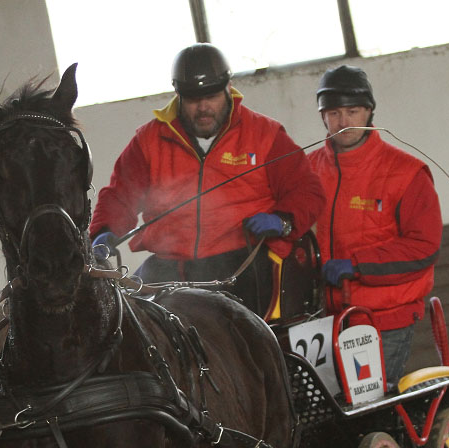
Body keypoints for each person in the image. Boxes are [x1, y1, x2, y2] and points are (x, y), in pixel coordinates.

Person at [89, 43, 324, 316]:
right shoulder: (149, 139)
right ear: (178, 95)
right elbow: (120, 196)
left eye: (211, 96)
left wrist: (284, 221)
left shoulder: (265, 134)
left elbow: (307, 191)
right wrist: (104, 230)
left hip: (243, 265)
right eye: (192, 99)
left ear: (228, 88)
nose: (203, 107)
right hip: (170, 265)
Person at [308, 64, 442, 388]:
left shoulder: (406, 173)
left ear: (369, 111)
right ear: (323, 117)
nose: (344, 122)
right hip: (320, 321)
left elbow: (423, 247)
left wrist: (357, 266)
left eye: (353, 111)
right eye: (335, 113)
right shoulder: (305, 171)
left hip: (382, 318)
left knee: (368, 406)